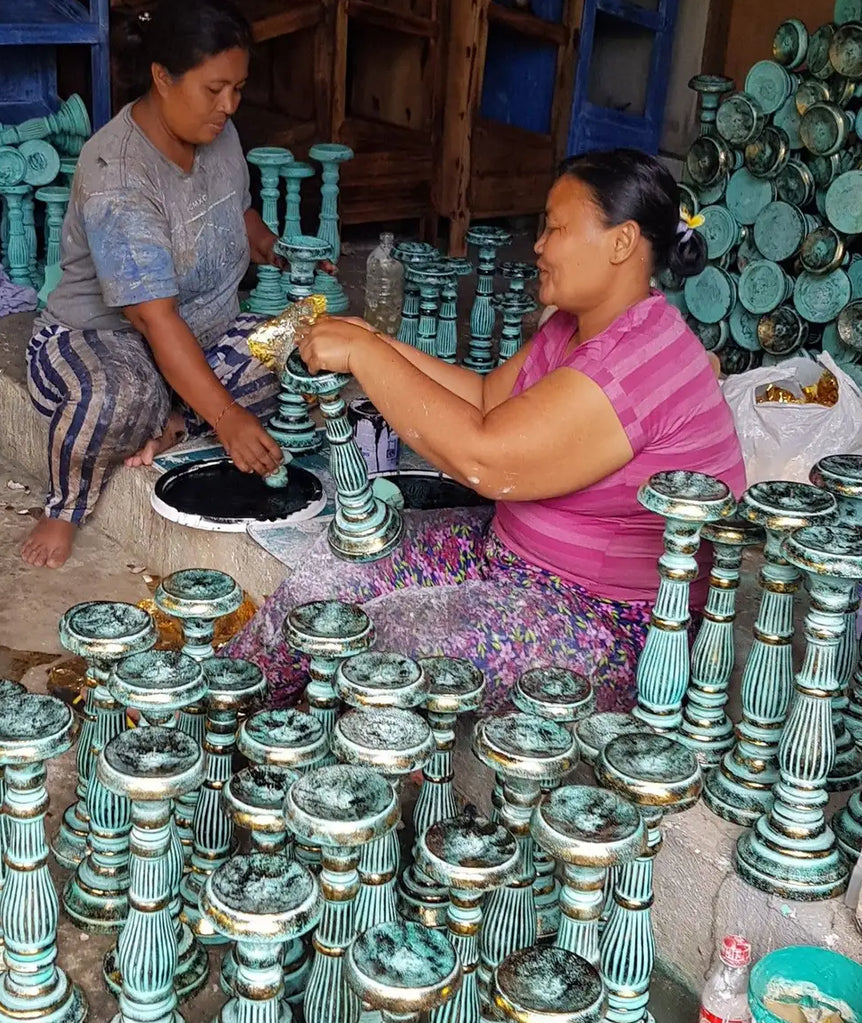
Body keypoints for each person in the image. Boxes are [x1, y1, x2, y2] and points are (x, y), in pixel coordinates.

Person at [227, 148, 746, 712]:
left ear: (621, 242)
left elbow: (485, 458)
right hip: (510, 558)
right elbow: (481, 398)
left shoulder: (644, 359)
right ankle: (218, 710)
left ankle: (304, 775)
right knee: (332, 575)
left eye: (555, 228)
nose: (540, 245)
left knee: (380, 645)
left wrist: (366, 355)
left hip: (605, 621)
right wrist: (368, 341)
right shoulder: (575, 326)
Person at [22, 0, 287, 568]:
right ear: (162, 77)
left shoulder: (219, 134)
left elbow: (234, 207)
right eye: (213, 89)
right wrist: (225, 419)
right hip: (100, 342)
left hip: (201, 333)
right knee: (119, 397)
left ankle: (172, 417)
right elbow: (151, 317)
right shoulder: (118, 172)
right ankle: (65, 506)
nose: (228, 105)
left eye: (237, 89)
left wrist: (269, 245)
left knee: (291, 351)